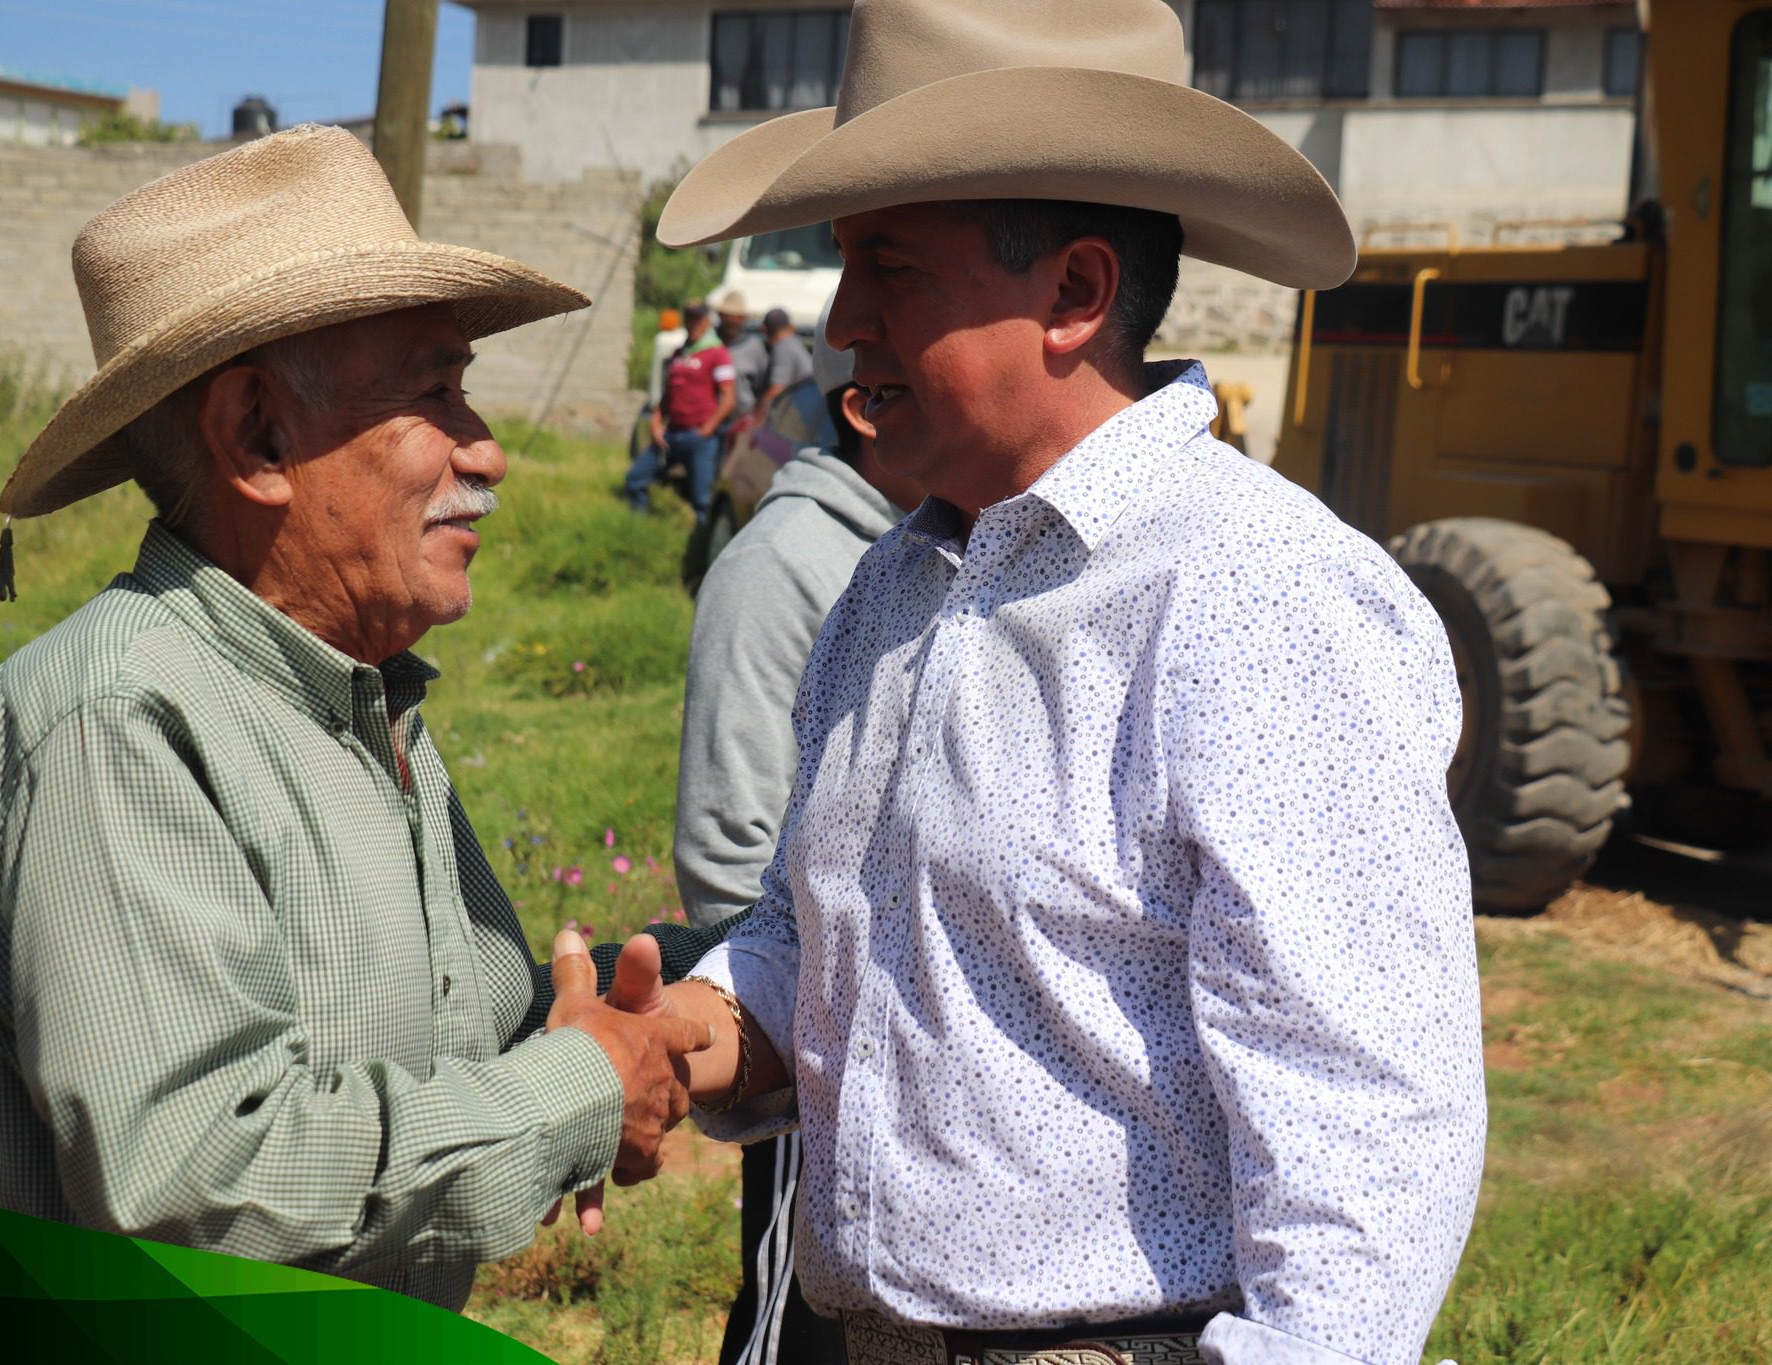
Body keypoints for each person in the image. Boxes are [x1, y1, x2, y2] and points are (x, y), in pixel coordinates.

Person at [621, 3, 1489, 1363]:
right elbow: (829, 948)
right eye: (845, 269)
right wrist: (692, 1027)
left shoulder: (1256, 601)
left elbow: (1366, 1135)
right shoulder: (890, 590)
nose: (843, 322)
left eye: (888, 270)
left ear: (1077, 294)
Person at [0, 125, 726, 1311]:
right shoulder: (124, 718)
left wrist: (590, 1038)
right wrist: (573, 1090)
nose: (485, 446)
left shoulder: (350, 698)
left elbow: (428, 1051)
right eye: (433, 391)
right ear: (256, 438)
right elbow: (202, 1174)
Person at [676, 292, 923, 1365]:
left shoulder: (926, 551)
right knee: (789, 1329)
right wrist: (795, 1046)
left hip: (907, 1052)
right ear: (866, 411)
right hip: (809, 1060)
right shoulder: (777, 568)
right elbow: (730, 839)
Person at [625, 300, 736, 517]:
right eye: (690, 318)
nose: (693, 323)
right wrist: (656, 424)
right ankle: (638, 526)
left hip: (699, 438)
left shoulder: (717, 353)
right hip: (671, 434)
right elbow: (667, 396)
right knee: (635, 479)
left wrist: (707, 429)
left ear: (706, 322)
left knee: (701, 499)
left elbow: (728, 398)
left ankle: (699, 544)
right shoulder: (679, 353)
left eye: (698, 318)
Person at [751, 308, 814, 425]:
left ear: (764, 330)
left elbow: (777, 388)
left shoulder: (783, 347)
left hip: (800, 414)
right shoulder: (794, 342)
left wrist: (756, 416)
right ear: (790, 326)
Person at [714, 287, 769, 415]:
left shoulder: (754, 346)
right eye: (728, 316)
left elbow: (761, 383)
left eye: (737, 317)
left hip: (743, 416)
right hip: (709, 417)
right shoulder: (709, 343)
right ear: (721, 316)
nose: (732, 321)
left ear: (743, 319)